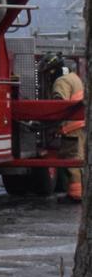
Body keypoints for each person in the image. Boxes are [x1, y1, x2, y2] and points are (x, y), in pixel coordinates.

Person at [46, 53, 85, 202]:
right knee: (79, 160)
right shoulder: (74, 78)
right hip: (81, 126)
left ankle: (76, 195)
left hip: (71, 129)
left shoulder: (60, 82)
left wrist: (49, 125)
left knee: (71, 162)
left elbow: (59, 107)